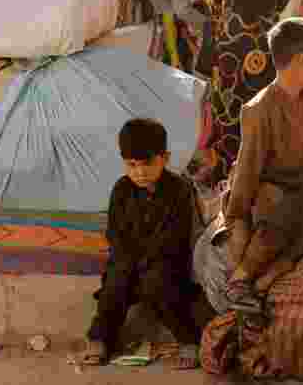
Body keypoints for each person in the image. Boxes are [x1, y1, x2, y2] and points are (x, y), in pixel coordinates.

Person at [223, 18, 303, 313]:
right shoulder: (259, 109)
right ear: (301, 60)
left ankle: (272, 276)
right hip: (268, 192)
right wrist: (236, 216)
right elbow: (249, 169)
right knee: (282, 208)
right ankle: (242, 277)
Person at [82, 118, 211, 369]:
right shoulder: (121, 190)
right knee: (115, 282)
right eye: (132, 165)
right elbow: (115, 234)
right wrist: (130, 261)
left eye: (147, 164)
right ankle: (100, 339)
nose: (140, 172)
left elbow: (175, 236)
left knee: (159, 283)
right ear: (124, 163)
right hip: (128, 261)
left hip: (166, 261)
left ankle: (189, 340)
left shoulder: (180, 190)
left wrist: (145, 261)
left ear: (165, 158)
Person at [201, 0, 292, 173]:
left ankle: (230, 168)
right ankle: (266, 166)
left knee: (230, 103)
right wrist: (265, 18)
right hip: (265, 44)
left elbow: (212, 1)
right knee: (262, 101)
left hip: (230, 44)